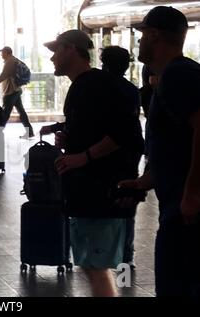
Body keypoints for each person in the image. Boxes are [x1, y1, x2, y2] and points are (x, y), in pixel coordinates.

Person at [40, 30, 143, 297]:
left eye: (56, 50)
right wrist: (71, 139)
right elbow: (100, 129)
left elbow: (126, 133)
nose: (52, 57)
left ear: (71, 49)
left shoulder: (95, 85)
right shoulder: (85, 86)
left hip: (99, 191)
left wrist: (82, 157)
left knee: (96, 267)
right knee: (90, 265)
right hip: (88, 192)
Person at [119, 6, 200, 297]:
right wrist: (147, 180)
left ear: (154, 35)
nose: (139, 43)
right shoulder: (171, 76)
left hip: (185, 211)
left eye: (142, 36)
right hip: (177, 204)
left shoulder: (179, 74)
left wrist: (192, 194)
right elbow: (178, 142)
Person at [100, 45, 142, 269]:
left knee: (102, 203)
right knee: (127, 202)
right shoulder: (131, 90)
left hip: (103, 155)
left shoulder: (98, 88)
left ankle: (104, 251)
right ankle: (126, 255)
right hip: (129, 154)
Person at [0, 46, 34, 139]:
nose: (1, 54)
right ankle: (30, 132)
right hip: (16, 90)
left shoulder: (10, 62)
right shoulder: (14, 60)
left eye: (2, 52)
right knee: (21, 112)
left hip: (10, 91)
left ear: (7, 53)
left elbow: (2, 76)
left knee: (5, 113)